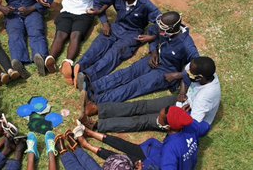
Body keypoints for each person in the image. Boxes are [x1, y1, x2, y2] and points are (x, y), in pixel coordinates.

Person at [73, 106, 210, 170]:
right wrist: (186, 116)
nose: (156, 117)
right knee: (127, 146)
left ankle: (87, 145)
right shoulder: (190, 125)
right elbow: (205, 127)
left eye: (160, 118)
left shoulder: (171, 149)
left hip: (158, 167)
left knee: (121, 161)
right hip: (157, 153)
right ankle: (90, 133)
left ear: (168, 127)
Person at [80, 12, 200, 105]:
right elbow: (153, 31)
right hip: (155, 59)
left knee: (136, 85)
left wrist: (176, 76)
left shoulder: (187, 44)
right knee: (128, 72)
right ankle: (94, 86)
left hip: (166, 72)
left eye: (162, 28)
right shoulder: (165, 29)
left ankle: (97, 99)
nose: (159, 29)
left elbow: (199, 69)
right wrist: (153, 51)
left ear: (173, 29)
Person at [80, 56, 221, 133]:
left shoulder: (206, 97)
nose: (187, 73)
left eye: (191, 74)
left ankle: (97, 125)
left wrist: (179, 117)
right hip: (181, 101)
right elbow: (186, 68)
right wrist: (182, 89)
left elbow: (194, 126)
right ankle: (97, 108)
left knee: (142, 121)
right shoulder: (206, 72)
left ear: (200, 77)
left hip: (185, 116)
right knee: (140, 105)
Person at [73, 0, 162, 88]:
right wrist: (105, 23)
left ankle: (87, 76)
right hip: (115, 27)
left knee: (115, 53)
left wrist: (152, 37)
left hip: (132, 34)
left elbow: (161, 23)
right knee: (98, 45)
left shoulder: (146, 4)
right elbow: (98, 1)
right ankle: (78, 67)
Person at [40, 0, 108, 80]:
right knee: (60, 35)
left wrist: (100, 10)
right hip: (66, 12)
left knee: (74, 35)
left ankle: (66, 62)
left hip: (84, 14)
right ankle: (52, 58)